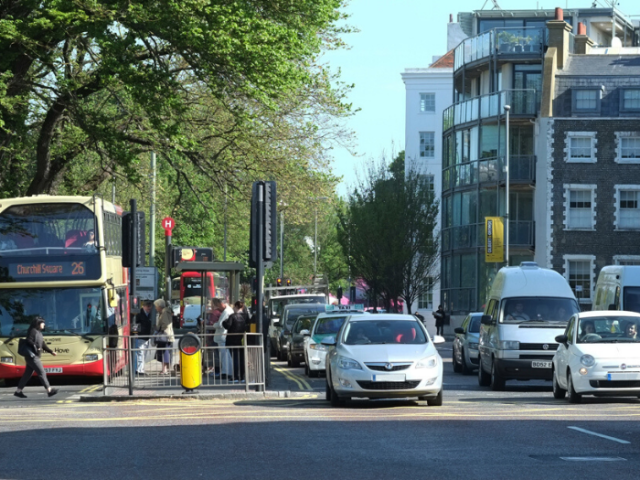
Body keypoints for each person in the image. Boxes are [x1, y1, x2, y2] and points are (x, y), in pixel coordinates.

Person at [14, 317, 59, 399]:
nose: (44, 324)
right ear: (38, 323)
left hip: (34, 356)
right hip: (32, 356)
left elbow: (43, 344)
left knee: (27, 375)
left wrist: (51, 351)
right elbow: (29, 340)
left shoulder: (39, 333)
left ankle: (18, 391)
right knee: (42, 372)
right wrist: (35, 346)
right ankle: (49, 390)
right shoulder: (33, 331)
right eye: (43, 323)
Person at [223, 301, 248, 382]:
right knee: (241, 359)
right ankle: (242, 377)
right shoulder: (245, 316)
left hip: (232, 340)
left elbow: (227, 326)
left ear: (237, 307)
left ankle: (235, 377)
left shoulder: (232, 316)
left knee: (235, 359)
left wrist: (224, 322)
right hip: (241, 340)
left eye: (234, 306)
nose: (233, 308)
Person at [211, 298, 233, 379]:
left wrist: (214, 325)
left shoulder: (226, 311)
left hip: (222, 335)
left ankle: (225, 372)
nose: (218, 307)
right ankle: (227, 372)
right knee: (226, 356)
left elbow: (220, 324)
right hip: (224, 335)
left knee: (224, 356)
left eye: (219, 305)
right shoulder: (228, 310)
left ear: (223, 304)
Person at [154, 299, 175, 374]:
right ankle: (165, 369)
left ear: (159, 306)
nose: (155, 308)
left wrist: (160, 328)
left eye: (156, 306)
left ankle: (164, 369)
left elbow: (166, 324)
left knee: (164, 353)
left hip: (165, 336)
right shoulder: (165, 312)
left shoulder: (164, 312)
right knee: (163, 352)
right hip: (167, 336)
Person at [133, 300, 153, 375]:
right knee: (140, 353)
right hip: (140, 336)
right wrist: (135, 333)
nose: (149, 308)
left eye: (150, 306)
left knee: (143, 354)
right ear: (143, 306)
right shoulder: (139, 314)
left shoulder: (149, 314)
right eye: (147, 306)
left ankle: (141, 369)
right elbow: (134, 324)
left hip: (146, 337)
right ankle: (139, 370)